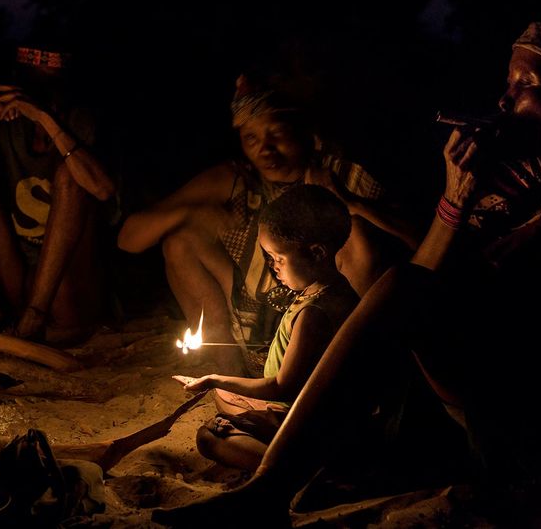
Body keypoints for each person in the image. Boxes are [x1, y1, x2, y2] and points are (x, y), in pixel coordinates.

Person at [153, 22, 541, 527]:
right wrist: (455, 198)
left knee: (400, 289)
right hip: (476, 366)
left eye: (526, 85)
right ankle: (279, 482)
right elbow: (432, 275)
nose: (505, 97)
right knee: (402, 289)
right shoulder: (511, 169)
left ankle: (290, 481)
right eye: (508, 80)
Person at [118, 74, 418, 376]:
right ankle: (231, 374)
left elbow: (421, 247)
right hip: (255, 325)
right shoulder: (237, 179)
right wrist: (188, 213)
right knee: (179, 241)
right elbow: (128, 239)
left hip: (332, 324)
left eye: (278, 135)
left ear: (305, 134)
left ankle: (368, 366)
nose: (266, 150)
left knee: (358, 234)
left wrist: (352, 204)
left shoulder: (340, 174)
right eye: (252, 139)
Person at [0, 45, 116, 338]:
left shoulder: (81, 121)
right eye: (34, 83)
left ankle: (34, 318)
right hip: (17, 280)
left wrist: (45, 119)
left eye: (52, 83)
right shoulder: (7, 125)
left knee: (72, 174)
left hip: (72, 288)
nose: (44, 92)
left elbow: (103, 191)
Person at [173, 184, 359, 471]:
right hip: (305, 411)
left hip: (306, 420)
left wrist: (215, 378)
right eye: (269, 258)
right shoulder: (332, 291)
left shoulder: (313, 314)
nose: (273, 267)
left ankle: (298, 470)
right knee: (223, 398)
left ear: (317, 252)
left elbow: (282, 387)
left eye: (279, 258)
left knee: (209, 436)